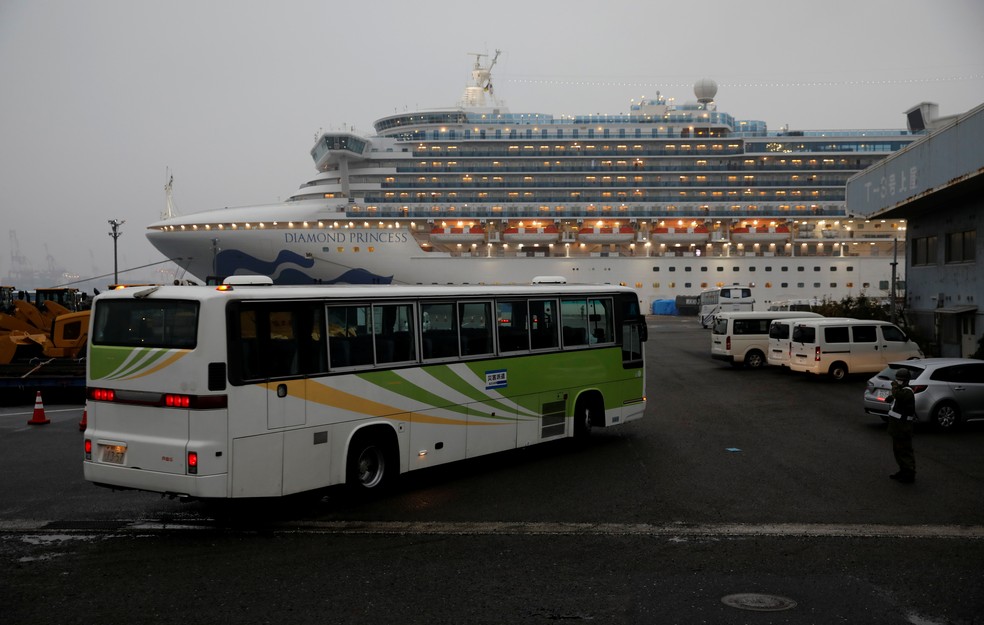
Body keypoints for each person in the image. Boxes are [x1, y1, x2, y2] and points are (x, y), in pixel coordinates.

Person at [887, 367, 917, 483]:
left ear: (906, 380)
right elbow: (896, 397)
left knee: (905, 451)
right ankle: (903, 470)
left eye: (900, 380)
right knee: (897, 450)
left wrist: (894, 386)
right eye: (897, 379)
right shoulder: (900, 391)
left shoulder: (907, 391)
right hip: (896, 427)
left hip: (904, 428)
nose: (898, 381)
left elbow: (899, 395)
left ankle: (909, 474)